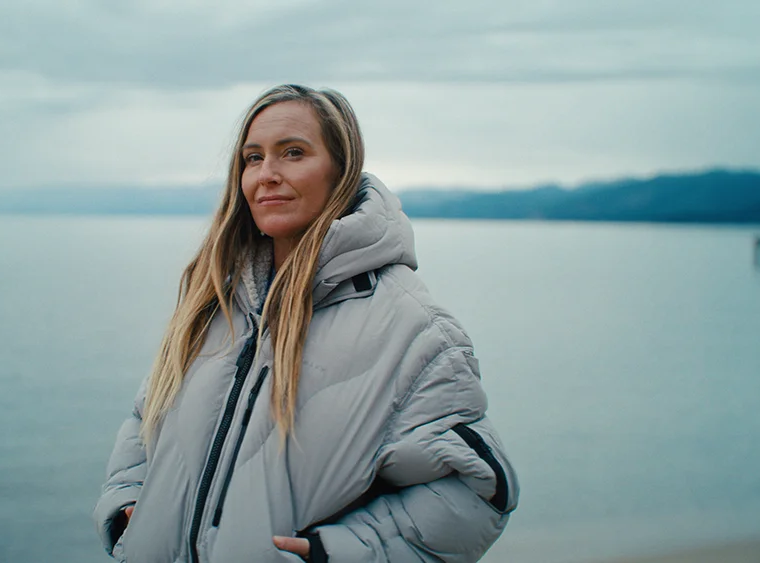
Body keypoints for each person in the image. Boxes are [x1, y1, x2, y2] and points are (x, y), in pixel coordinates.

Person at [93, 84, 518, 563]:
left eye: (292, 153)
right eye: (253, 159)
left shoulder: (409, 327)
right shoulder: (213, 303)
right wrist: (129, 506)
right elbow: (145, 420)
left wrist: (339, 553)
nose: (267, 175)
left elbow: (478, 490)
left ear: (341, 171)